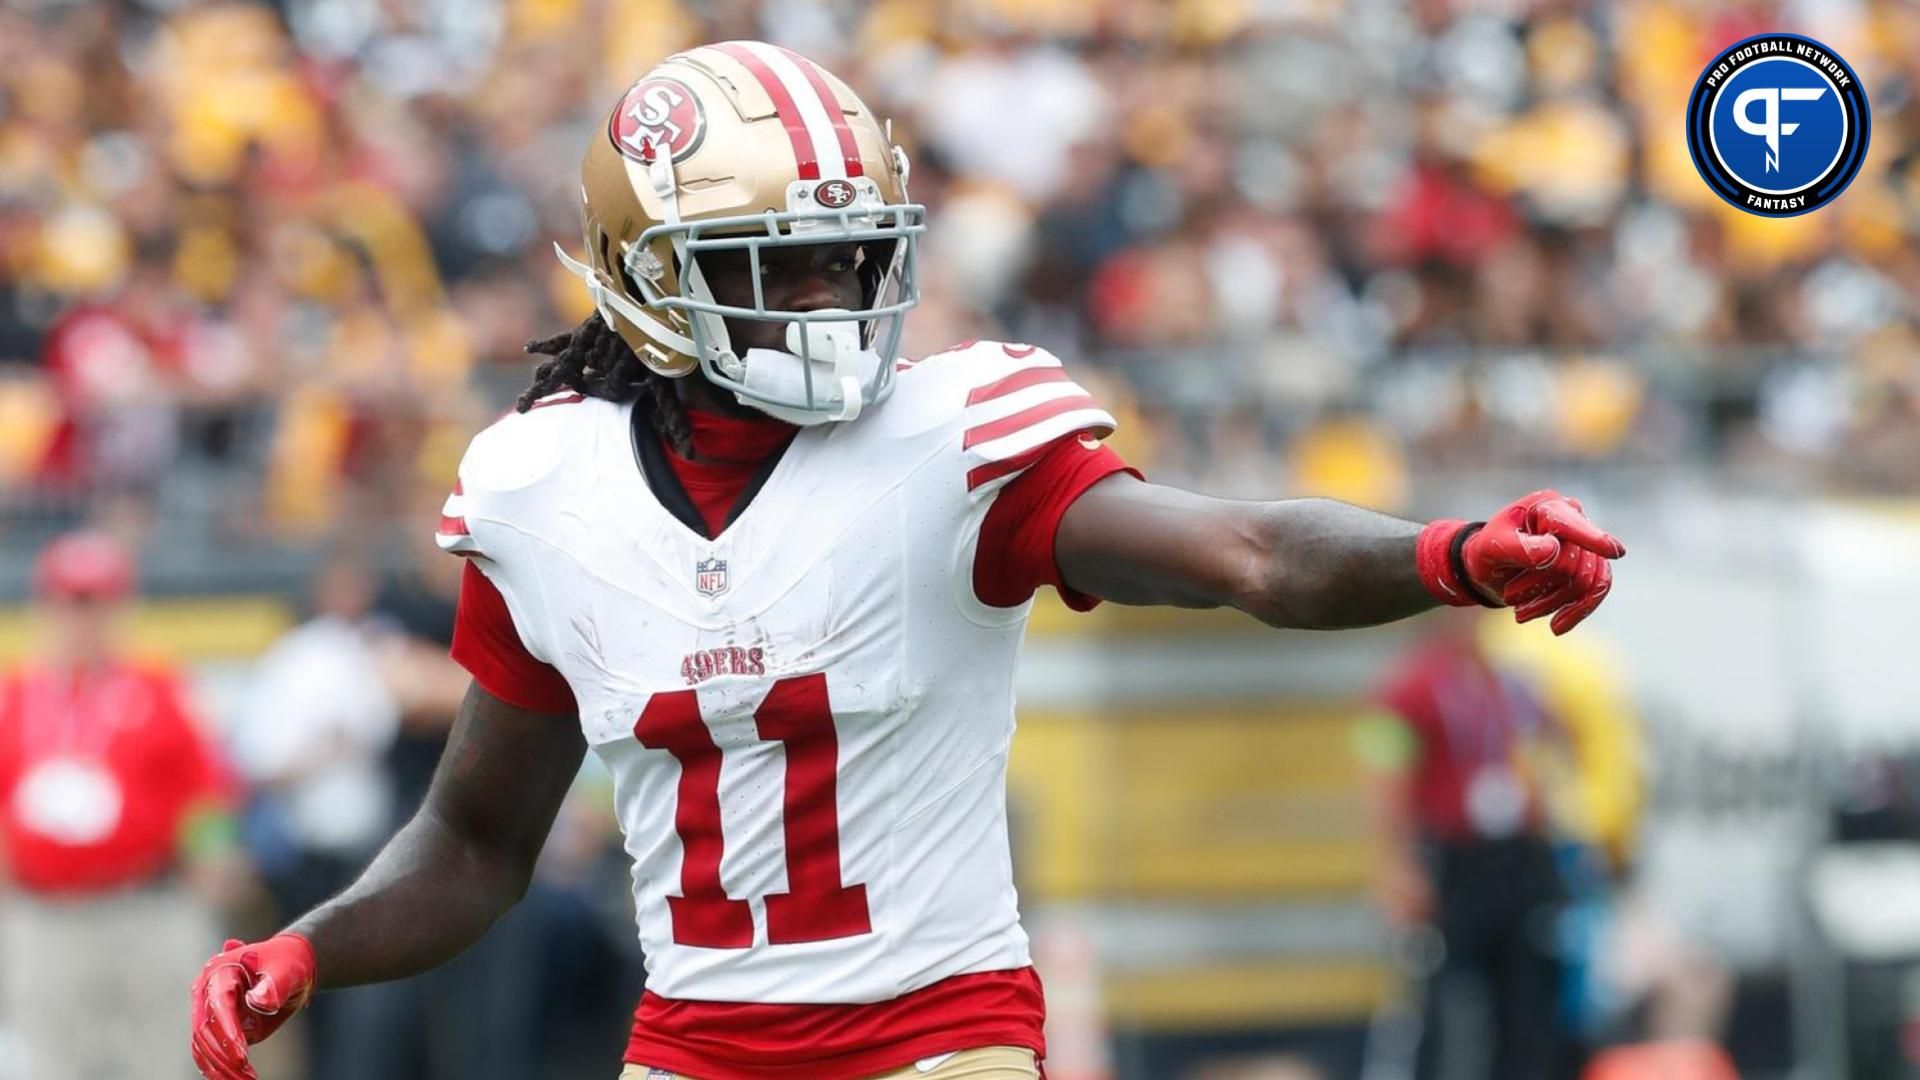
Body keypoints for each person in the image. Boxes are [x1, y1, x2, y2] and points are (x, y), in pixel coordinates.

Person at [191, 41, 1624, 1080]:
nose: (829, 303)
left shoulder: (952, 441)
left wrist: (1447, 554)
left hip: (939, 1048)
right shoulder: (540, 488)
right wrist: (306, 948)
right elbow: (475, 842)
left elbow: (1245, 549)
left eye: (849, 258)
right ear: (641, 272)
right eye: (776, 265)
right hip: (689, 1054)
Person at [0, 531, 236, 1080]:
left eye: (98, 604)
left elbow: (206, 795)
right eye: (72, 604)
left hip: (146, 910)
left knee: (160, 1062)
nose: (85, 621)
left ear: (122, 608)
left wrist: (217, 861)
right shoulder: (17, 696)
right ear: (47, 608)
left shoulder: (159, 689)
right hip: (47, 919)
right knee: (54, 1063)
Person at [1354, 607, 1572, 1079]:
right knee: (1441, 1000)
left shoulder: (1507, 678)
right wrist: (1397, 865)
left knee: (1524, 1000)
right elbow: (1382, 777)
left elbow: (1554, 737)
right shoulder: (1406, 688)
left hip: (1513, 857)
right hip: (1452, 861)